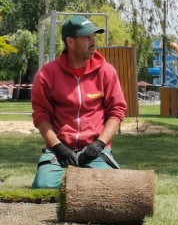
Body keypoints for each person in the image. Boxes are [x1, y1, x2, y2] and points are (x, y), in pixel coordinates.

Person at [30, 15, 127, 189]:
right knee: (43, 187)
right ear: (70, 42)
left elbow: (117, 112)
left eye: (94, 37)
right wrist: (58, 147)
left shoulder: (106, 71)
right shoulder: (46, 74)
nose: (93, 42)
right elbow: (40, 116)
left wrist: (99, 143)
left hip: (95, 149)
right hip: (59, 150)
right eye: (87, 37)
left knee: (111, 188)